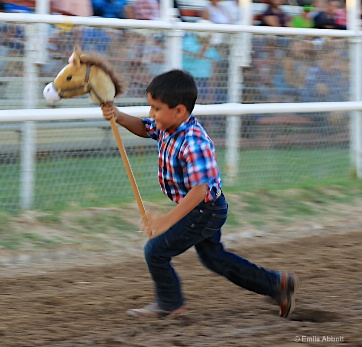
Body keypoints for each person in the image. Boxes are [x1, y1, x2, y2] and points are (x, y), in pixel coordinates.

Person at [100, 70, 298, 319]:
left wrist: (165, 221)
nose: (151, 114)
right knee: (214, 258)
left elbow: (199, 191)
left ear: (180, 111)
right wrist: (116, 115)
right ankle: (276, 284)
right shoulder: (166, 126)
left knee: (156, 251)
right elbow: (143, 127)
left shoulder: (195, 143)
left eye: (156, 108)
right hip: (201, 208)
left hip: (205, 210)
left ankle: (170, 303)